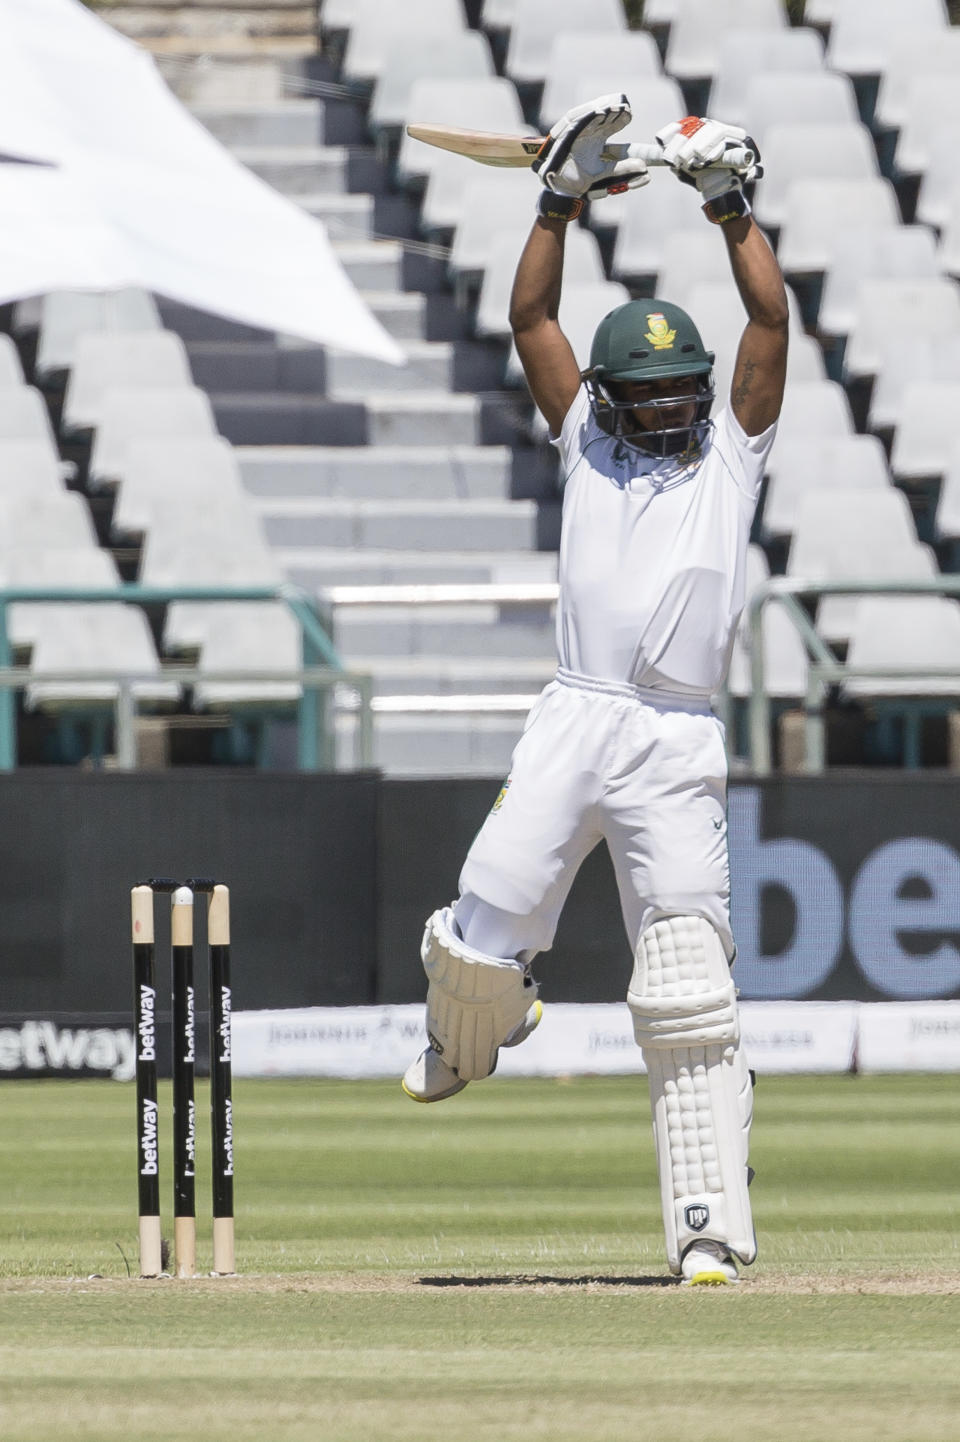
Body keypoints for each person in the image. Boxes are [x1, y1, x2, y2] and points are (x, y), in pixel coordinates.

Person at [401, 95, 789, 1287]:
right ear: (616, 397)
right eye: (655, 396)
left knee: (687, 987)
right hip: (576, 713)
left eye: (686, 393)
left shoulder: (734, 448)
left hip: (675, 737)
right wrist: (556, 201)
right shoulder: (587, 439)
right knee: (475, 940)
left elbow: (770, 314)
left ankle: (709, 1232)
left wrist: (731, 208)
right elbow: (531, 312)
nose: (675, 411)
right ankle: (481, 1026)